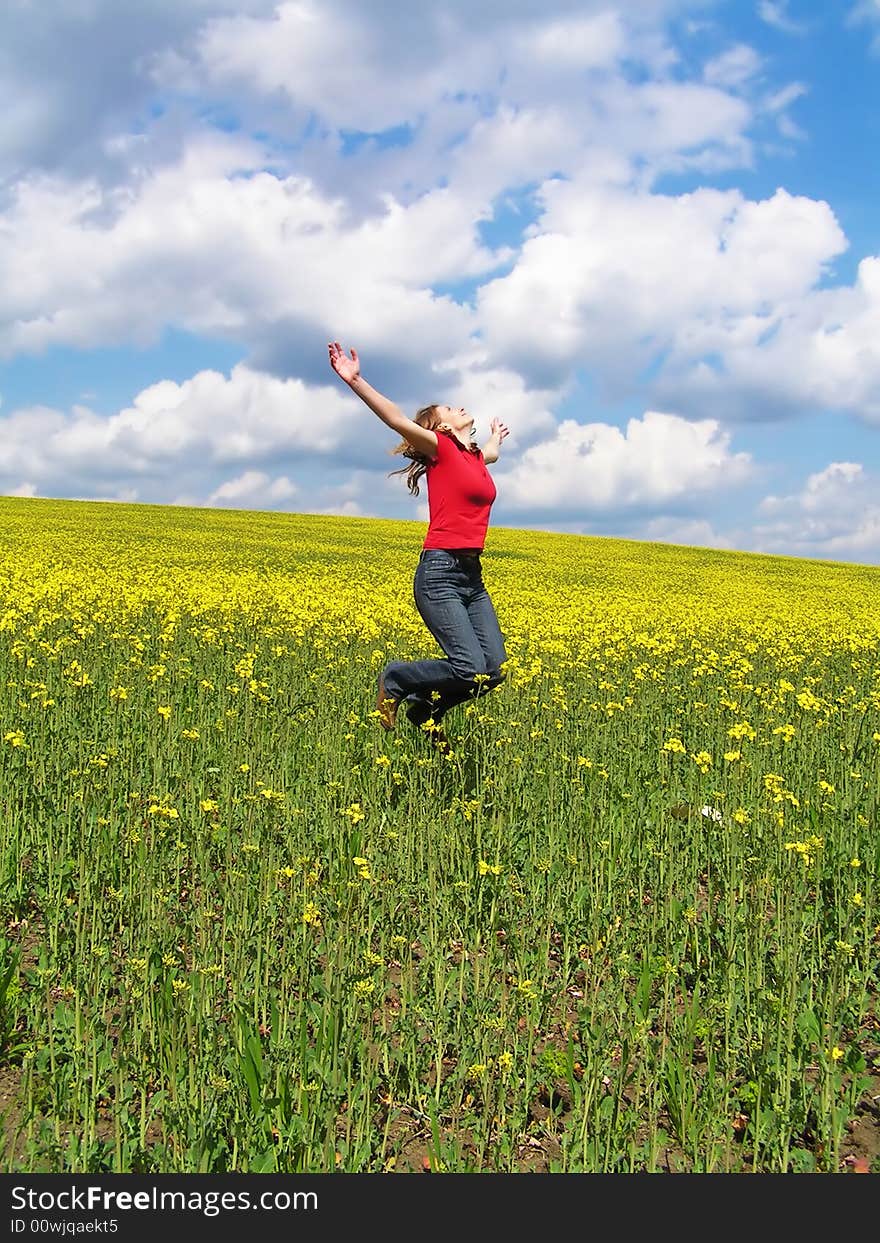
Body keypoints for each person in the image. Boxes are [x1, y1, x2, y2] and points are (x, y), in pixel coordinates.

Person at [328, 341, 509, 751]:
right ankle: (397, 679)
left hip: (471, 578)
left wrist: (497, 438)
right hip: (440, 574)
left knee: (492, 671)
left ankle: (424, 711)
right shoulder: (440, 448)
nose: (457, 407)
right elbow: (393, 418)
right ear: (440, 427)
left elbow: (493, 455)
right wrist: (355, 381)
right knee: (467, 669)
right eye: (449, 407)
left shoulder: (476, 456)